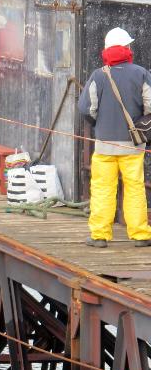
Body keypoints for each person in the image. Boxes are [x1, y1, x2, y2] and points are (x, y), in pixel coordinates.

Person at [77, 27, 151, 248]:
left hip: (104, 145)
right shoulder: (141, 73)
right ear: (127, 48)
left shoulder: (98, 75)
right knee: (134, 188)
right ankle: (140, 235)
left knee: (102, 188)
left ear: (107, 50)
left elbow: (86, 108)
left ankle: (99, 235)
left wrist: (99, 125)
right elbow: (150, 105)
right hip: (133, 145)